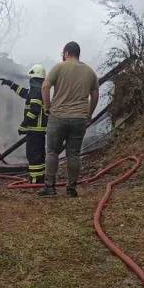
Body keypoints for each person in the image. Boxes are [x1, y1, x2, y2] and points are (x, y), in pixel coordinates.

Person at [39, 41, 99, 197]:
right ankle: (71, 188)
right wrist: (89, 114)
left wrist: (47, 108)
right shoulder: (90, 71)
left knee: (52, 152)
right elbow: (95, 93)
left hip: (58, 117)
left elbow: (45, 86)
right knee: (73, 154)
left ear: (66, 53)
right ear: (78, 53)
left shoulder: (59, 67)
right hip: (79, 118)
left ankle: (49, 188)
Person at [0, 64, 47, 184]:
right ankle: (38, 178)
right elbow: (24, 93)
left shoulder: (36, 90)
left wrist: (23, 124)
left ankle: (36, 180)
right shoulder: (38, 88)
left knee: (34, 155)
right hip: (38, 129)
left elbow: (35, 110)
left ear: (33, 76)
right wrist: (11, 84)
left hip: (35, 129)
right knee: (38, 154)